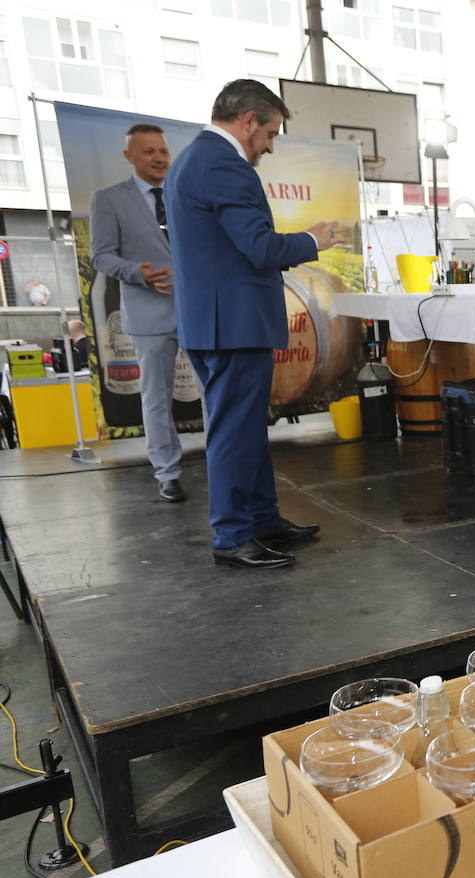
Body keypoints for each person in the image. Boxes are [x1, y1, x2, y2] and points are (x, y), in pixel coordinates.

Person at [165, 79, 340, 569]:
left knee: (244, 429)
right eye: (270, 133)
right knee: (234, 433)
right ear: (247, 121)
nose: (270, 144)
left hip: (220, 322)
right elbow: (260, 248)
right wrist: (313, 239)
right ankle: (233, 535)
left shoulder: (194, 160)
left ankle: (262, 519)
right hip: (232, 326)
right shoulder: (223, 164)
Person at [91, 123, 188, 503]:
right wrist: (138, 273)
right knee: (157, 397)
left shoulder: (184, 195)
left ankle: (222, 463)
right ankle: (168, 472)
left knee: (213, 390)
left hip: (197, 309)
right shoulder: (110, 199)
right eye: (148, 151)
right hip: (148, 313)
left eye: (163, 150)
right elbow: (101, 255)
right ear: (129, 156)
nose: (159, 157)